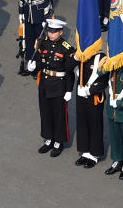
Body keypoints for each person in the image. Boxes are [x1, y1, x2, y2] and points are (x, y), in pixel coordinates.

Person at [29, 18, 76, 156]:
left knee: (59, 115)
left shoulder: (66, 48)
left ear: (61, 32)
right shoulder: (43, 43)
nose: (50, 34)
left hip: (59, 85)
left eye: (54, 32)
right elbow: (40, 61)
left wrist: (69, 90)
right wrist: (33, 68)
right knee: (45, 112)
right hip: (44, 83)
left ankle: (58, 141)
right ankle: (48, 139)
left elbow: (69, 70)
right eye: (49, 31)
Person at [16, 0, 53, 74]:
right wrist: (21, 12)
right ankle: (28, 64)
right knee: (28, 39)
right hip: (27, 11)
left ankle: (39, 67)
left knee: (40, 41)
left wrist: (46, 18)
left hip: (39, 13)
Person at [73, 50, 108, 169]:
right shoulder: (81, 54)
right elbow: (68, 67)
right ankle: (85, 151)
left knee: (95, 124)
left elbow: (103, 81)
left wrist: (89, 91)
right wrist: (75, 60)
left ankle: (94, 154)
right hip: (80, 94)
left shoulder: (102, 58)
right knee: (82, 122)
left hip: (94, 97)